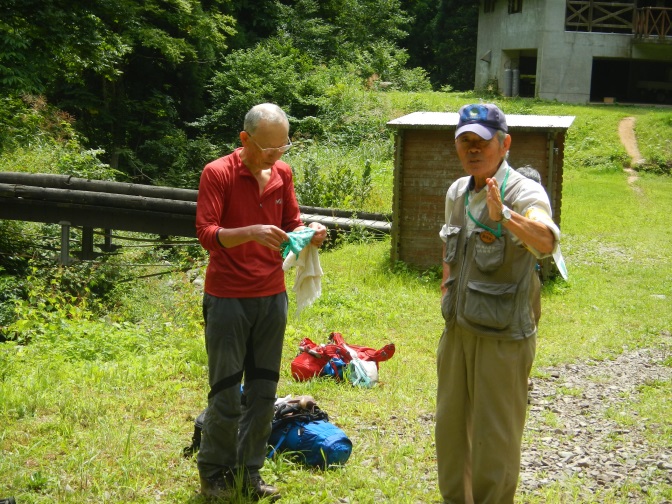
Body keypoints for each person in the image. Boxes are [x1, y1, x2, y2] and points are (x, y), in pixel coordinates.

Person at [195, 103, 327, 501]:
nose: (275, 156)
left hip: (272, 294)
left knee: (264, 390)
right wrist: (249, 231)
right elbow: (206, 232)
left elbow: (291, 223)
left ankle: (249, 472)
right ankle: (214, 474)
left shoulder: (283, 173)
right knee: (225, 389)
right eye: (267, 149)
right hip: (228, 296)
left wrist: (310, 232)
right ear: (245, 139)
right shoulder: (217, 173)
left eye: (282, 147)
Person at [436, 103, 560, 504]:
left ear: (504, 144)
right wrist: (447, 291)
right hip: (458, 331)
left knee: (496, 440)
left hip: (504, 336)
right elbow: (449, 253)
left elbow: (546, 242)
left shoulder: (524, 191)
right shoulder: (457, 190)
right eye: (465, 141)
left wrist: (504, 215)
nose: (473, 149)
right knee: (451, 434)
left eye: (483, 141)